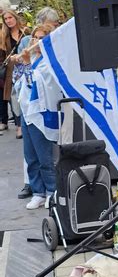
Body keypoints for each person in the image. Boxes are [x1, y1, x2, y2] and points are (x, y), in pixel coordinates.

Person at [16, 24, 59, 209]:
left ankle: (52, 191)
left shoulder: (50, 62)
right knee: (30, 156)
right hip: (27, 112)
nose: (37, 41)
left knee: (44, 157)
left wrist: (26, 64)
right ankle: (38, 191)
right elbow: (20, 82)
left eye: (42, 38)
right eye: (35, 37)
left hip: (41, 114)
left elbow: (36, 83)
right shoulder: (32, 57)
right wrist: (21, 63)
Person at [0, 10, 28, 137]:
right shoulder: (3, 36)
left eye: (10, 17)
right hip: (12, 70)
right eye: (6, 19)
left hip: (27, 66)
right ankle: (18, 126)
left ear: (15, 17)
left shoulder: (26, 32)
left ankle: (27, 122)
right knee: (14, 97)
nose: (8, 20)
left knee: (27, 94)